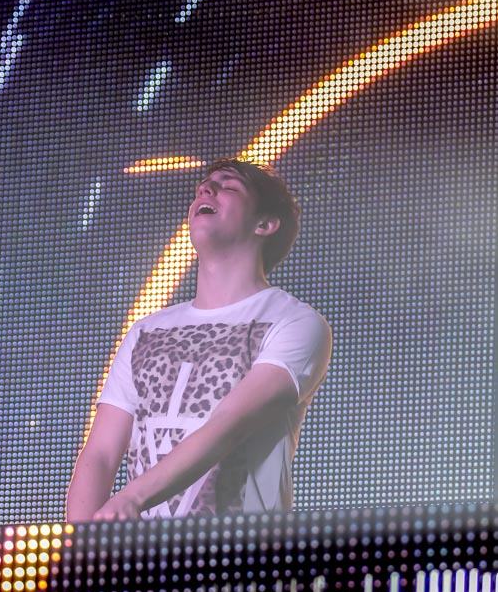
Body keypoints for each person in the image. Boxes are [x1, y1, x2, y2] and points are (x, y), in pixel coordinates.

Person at [65, 157, 332, 523]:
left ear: (265, 224)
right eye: (205, 186)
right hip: (145, 556)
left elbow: (229, 422)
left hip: (245, 550)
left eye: (229, 186)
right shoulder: (146, 332)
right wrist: (81, 544)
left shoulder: (294, 321)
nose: (206, 189)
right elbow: (101, 453)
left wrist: (132, 498)